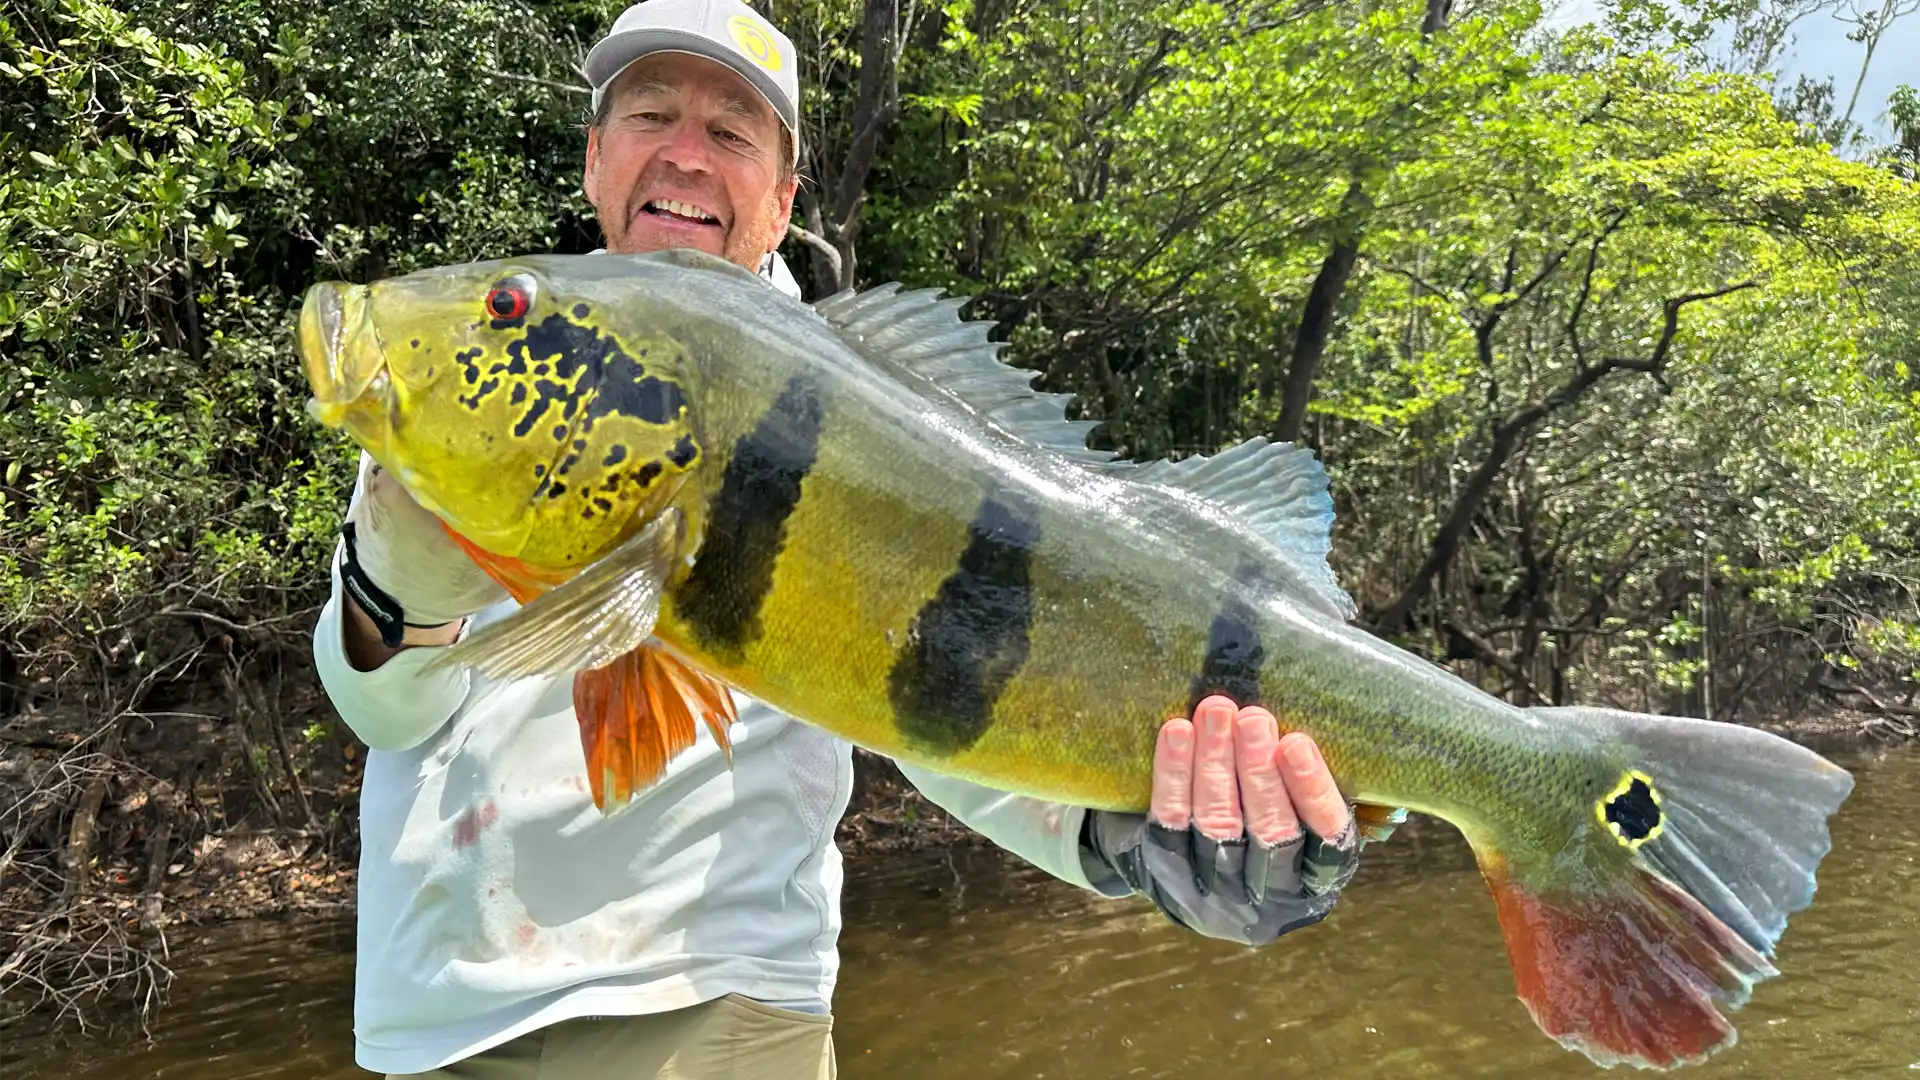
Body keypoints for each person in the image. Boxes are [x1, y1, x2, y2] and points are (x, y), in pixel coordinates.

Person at [312, 1, 1368, 1076]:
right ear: (594, 158)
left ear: (782, 200)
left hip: (719, 1009)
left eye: (732, 131)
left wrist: (1139, 844)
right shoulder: (501, 360)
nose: (684, 152)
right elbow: (385, 709)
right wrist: (400, 578)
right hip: (433, 1020)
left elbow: (956, 686)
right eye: (650, 114)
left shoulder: (868, 409)